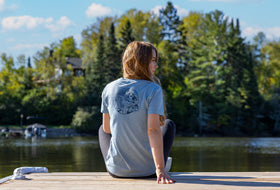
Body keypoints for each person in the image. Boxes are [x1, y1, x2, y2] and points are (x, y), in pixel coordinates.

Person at [98, 41, 176, 184]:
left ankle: (118, 161)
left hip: (116, 171)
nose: (156, 65)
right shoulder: (153, 90)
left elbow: (108, 129)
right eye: (153, 61)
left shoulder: (109, 88)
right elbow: (153, 130)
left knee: (102, 130)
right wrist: (160, 170)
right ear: (141, 62)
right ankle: (161, 163)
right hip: (149, 171)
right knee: (168, 125)